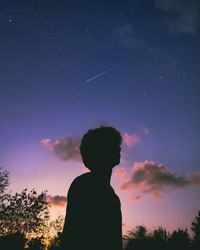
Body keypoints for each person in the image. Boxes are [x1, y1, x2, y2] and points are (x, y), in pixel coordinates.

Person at [60, 126, 123, 250]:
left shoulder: (111, 195)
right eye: (112, 145)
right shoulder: (84, 186)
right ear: (99, 152)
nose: (118, 148)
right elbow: (73, 237)